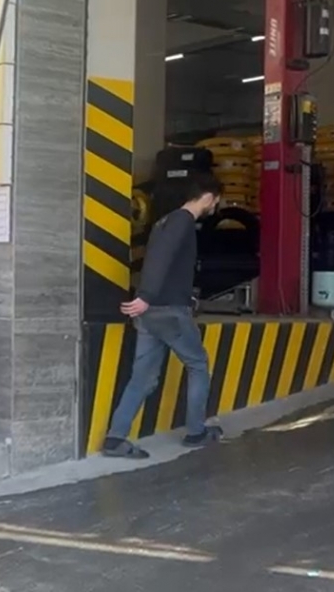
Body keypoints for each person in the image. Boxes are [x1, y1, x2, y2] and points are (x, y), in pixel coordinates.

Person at [103, 173, 224, 459]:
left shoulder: (164, 222)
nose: (215, 207)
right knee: (198, 364)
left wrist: (146, 298)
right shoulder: (182, 221)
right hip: (169, 310)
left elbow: (157, 260)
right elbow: (161, 258)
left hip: (151, 314)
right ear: (208, 197)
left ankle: (115, 439)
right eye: (216, 202)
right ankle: (196, 432)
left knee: (143, 377)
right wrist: (146, 296)